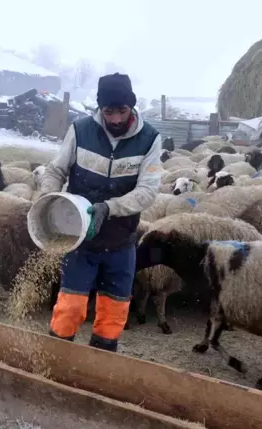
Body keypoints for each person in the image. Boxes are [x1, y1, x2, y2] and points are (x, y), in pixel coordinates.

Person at [39, 72, 163, 352]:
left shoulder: (150, 139)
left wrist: (111, 208)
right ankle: (57, 362)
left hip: (121, 243)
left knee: (114, 313)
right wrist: (48, 197)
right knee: (70, 307)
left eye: (122, 111)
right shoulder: (80, 130)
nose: (116, 119)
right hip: (79, 239)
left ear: (131, 106)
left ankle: (99, 365)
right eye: (109, 111)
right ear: (100, 108)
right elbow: (56, 169)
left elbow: (148, 190)